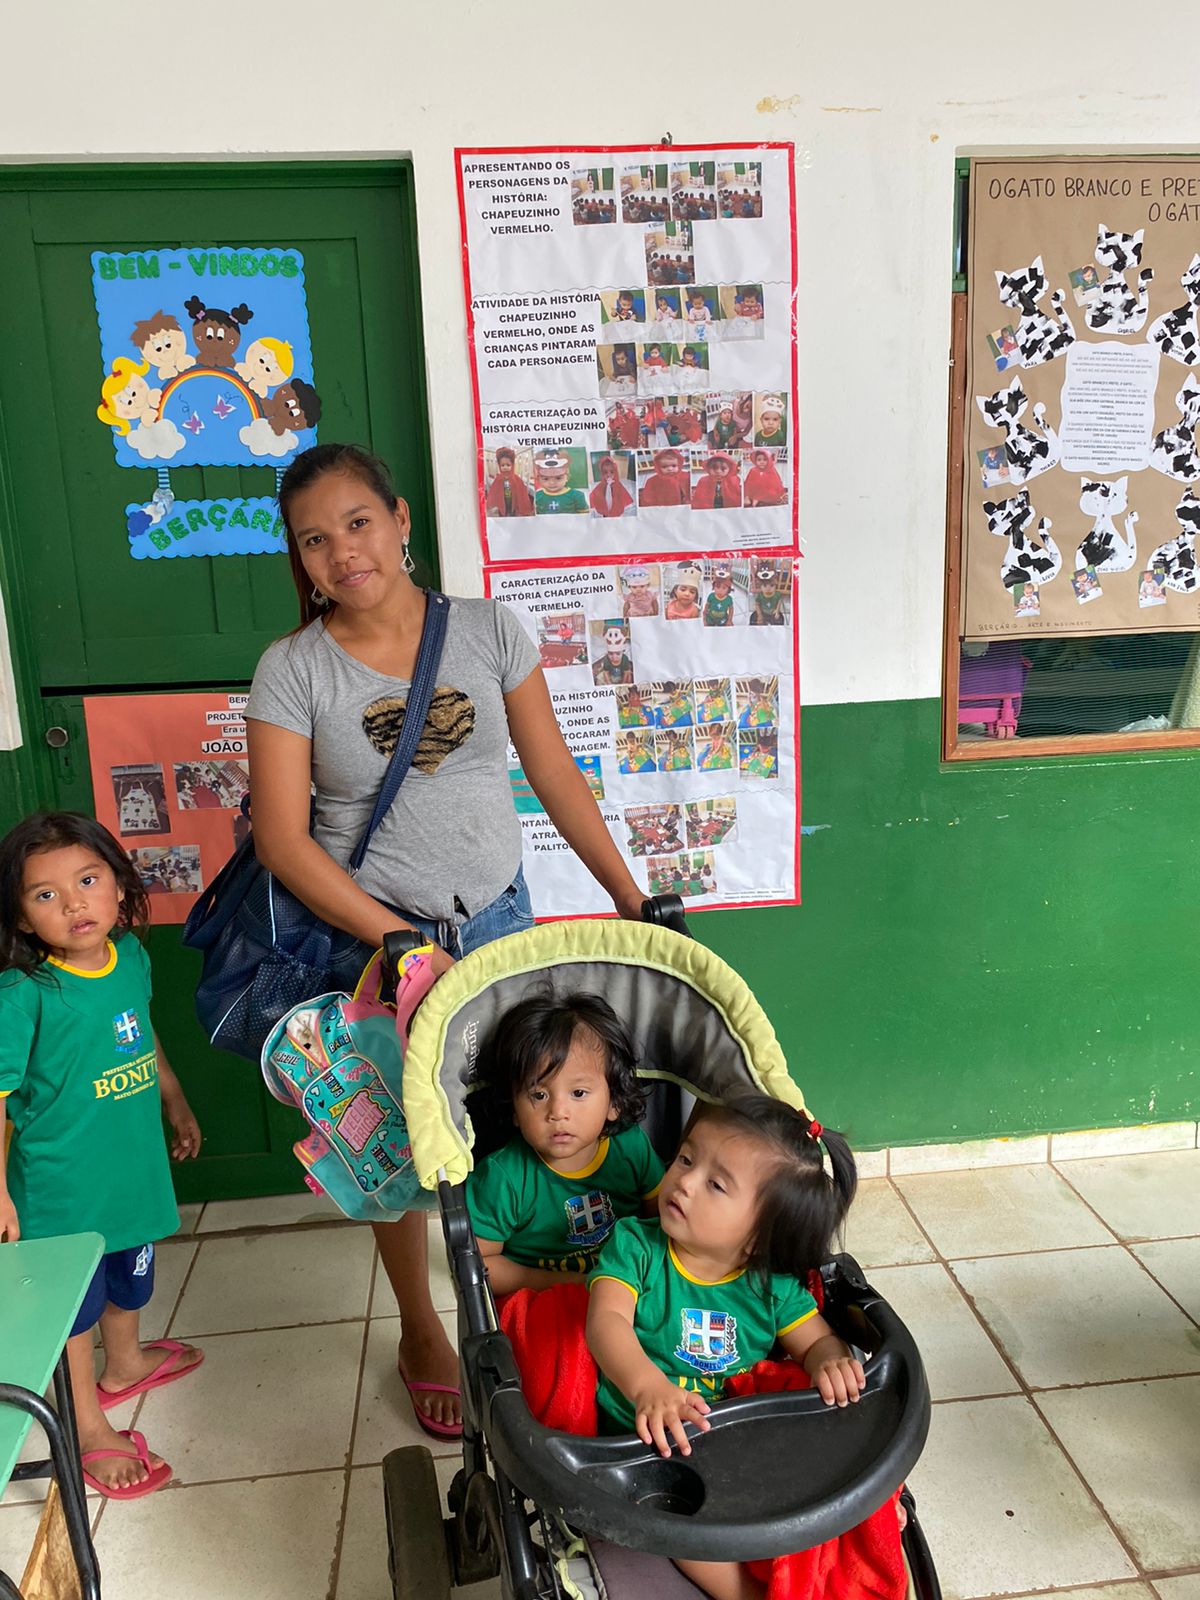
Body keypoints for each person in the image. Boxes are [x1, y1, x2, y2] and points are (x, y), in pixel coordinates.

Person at [246, 443, 644, 1438]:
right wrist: (392, 937)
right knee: (390, 1146)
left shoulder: (486, 630)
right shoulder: (291, 670)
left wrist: (631, 897)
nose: (342, 552)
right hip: (371, 948)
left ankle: (514, 1291)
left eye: (357, 523)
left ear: (401, 517)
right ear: (299, 559)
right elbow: (284, 840)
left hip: (500, 925)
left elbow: (552, 773)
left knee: (520, 1118)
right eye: (314, 540)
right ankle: (420, 1325)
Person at [0, 812, 203, 1499]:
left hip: (130, 1172)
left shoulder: (132, 957)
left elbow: (140, 1033)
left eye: (88, 880)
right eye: (45, 894)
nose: (74, 903)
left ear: (119, 886)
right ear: (22, 918)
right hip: (62, 1189)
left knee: (130, 1277)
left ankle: (126, 1366)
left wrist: (173, 1097)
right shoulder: (22, 992)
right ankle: (86, 1421)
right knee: (75, 1309)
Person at [587, 1096, 861, 1600]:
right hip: (647, 1442)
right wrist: (648, 1385)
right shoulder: (635, 1246)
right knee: (685, 1531)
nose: (684, 1181)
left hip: (733, 1437)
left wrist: (828, 1360)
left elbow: (816, 1341)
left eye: (715, 1184)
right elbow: (606, 1322)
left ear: (758, 1238)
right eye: (686, 1159)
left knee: (812, 1485)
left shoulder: (770, 1286)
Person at [465, 994, 663, 1296]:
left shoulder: (630, 1146)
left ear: (614, 1102)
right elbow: (481, 1266)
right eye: (539, 1095)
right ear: (515, 1110)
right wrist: (565, 1283)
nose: (558, 1112)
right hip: (538, 1294)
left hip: (625, 1286)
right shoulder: (502, 1177)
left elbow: (659, 1222)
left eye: (579, 1093)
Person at [533, 450, 587, 515]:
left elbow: (584, 517)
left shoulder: (577, 496)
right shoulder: (537, 496)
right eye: (546, 479)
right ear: (539, 479)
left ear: (567, 477)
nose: (552, 483)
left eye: (558, 478)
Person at [486, 446, 535, 518]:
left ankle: (512, 513)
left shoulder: (516, 479)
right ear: (499, 466)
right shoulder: (498, 479)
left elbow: (522, 494)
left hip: (512, 500)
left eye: (508, 465)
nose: (505, 467)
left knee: (512, 509)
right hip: (503, 500)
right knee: (503, 510)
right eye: (502, 465)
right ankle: (504, 513)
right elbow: (493, 492)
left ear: (512, 465)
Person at [590, 454, 634, 519]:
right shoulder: (601, 485)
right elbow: (595, 494)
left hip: (615, 509)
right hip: (604, 508)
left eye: (611, 472)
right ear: (602, 473)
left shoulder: (618, 485)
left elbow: (623, 494)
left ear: (615, 472)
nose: (609, 475)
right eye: (605, 472)